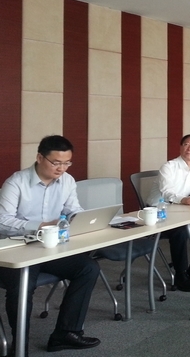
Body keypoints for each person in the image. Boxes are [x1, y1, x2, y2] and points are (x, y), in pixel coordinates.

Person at [0, 135, 101, 354]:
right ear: (39, 158)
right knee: (22, 284)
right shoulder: (16, 182)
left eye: (67, 163)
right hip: (17, 248)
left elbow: (73, 209)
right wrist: (41, 225)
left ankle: (66, 333)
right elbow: (3, 221)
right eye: (56, 163)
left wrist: (81, 219)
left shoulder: (67, 181)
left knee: (88, 268)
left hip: (50, 246)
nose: (61, 168)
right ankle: (20, 345)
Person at [147, 134, 190, 292]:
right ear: (180, 147)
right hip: (158, 212)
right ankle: (180, 274)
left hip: (181, 210)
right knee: (181, 230)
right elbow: (167, 192)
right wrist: (183, 199)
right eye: (186, 144)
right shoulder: (168, 167)